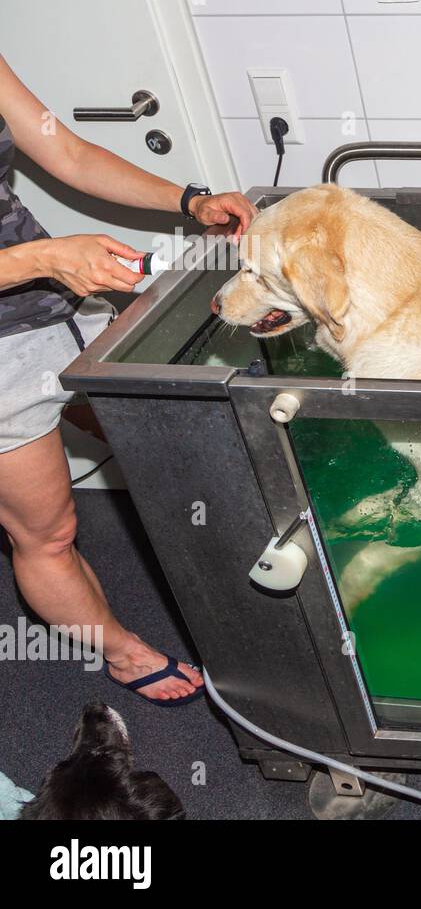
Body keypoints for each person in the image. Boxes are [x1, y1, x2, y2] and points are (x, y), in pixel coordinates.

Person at [0, 54, 256, 704]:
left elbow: (70, 155)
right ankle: (119, 651)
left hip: (49, 305)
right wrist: (43, 257)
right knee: (48, 531)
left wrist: (190, 201)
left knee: (115, 411)